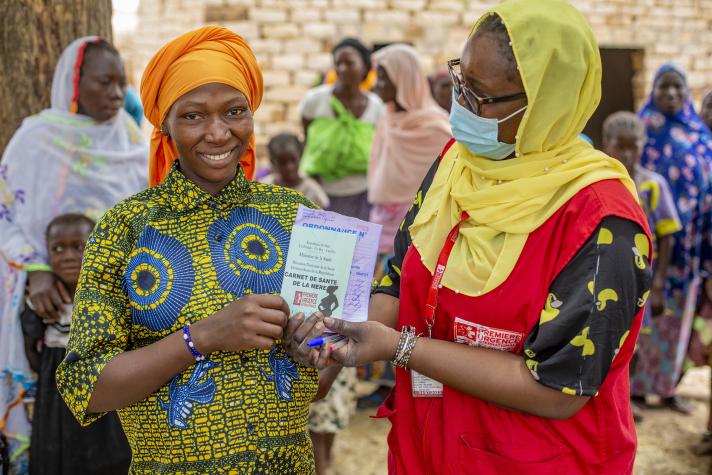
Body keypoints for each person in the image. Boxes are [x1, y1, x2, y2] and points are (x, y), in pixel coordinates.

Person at [286, 1, 653, 473]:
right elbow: (400, 276)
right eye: (460, 80)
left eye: (480, 95)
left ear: (545, 103)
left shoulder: (602, 223)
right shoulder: (456, 165)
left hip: (535, 459)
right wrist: (332, 346)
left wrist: (399, 347)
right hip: (429, 446)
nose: (460, 105)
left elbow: (558, 390)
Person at [56, 26, 339, 474]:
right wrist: (201, 337)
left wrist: (316, 352)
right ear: (164, 123)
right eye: (192, 116)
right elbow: (86, 387)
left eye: (234, 111)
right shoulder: (125, 229)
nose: (218, 133)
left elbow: (319, 381)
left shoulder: (298, 216)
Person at [0, 36, 148, 473]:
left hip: (120, 312)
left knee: (115, 435)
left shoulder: (129, 140)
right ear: (74, 83)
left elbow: (146, 220)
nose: (117, 94)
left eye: (121, 83)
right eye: (105, 82)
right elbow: (8, 214)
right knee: (56, 424)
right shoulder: (36, 138)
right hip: (50, 317)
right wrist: (38, 270)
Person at [630, 64, 712, 415]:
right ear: (653, 90)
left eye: (678, 87)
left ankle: (667, 389)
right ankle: (635, 390)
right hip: (652, 248)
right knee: (647, 320)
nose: (671, 94)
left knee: (679, 323)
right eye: (664, 87)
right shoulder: (641, 129)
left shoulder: (698, 133)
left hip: (692, 250)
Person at [20, 214, 130, 475]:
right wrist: (51, 372)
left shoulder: (112, 294)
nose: (68, 256)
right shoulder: (44, 302)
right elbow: (30, 349)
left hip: (105, 386)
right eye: (57, 248)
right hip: (56, 392)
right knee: (59, 447)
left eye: (79, 247)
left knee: (109, 444)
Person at [602, 111, 682, 422]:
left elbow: (667, 237)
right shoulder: (602, 181)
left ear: (642, 145)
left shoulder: (652, 185)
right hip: (606, 277)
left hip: (641, 281)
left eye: (633, 146)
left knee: (633, 344)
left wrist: (659, 283)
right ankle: (605, 396)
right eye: (619, 146)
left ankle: (625, 396)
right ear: (605, 144)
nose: (626, 153)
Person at [368, 44, 451, 256]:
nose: (377, 85)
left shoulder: (436, 128)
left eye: (384, 78)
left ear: (403, 80)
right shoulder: (387, 118)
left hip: (419, 227)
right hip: (381, 222)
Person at [299, 38, 384, 221]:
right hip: (319, 192)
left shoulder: (376, 107)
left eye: (350, 63)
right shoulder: (315, 100)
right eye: (338, 63)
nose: (343, 69)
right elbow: (306, 137)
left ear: (365, 68)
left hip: (362, 194)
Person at [261, 133, 330, 209]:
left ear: (300, 156)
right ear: (273, 162)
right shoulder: (264, 188)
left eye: (293, 160)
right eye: (282, 162)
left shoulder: (312, 191)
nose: (289, 167)